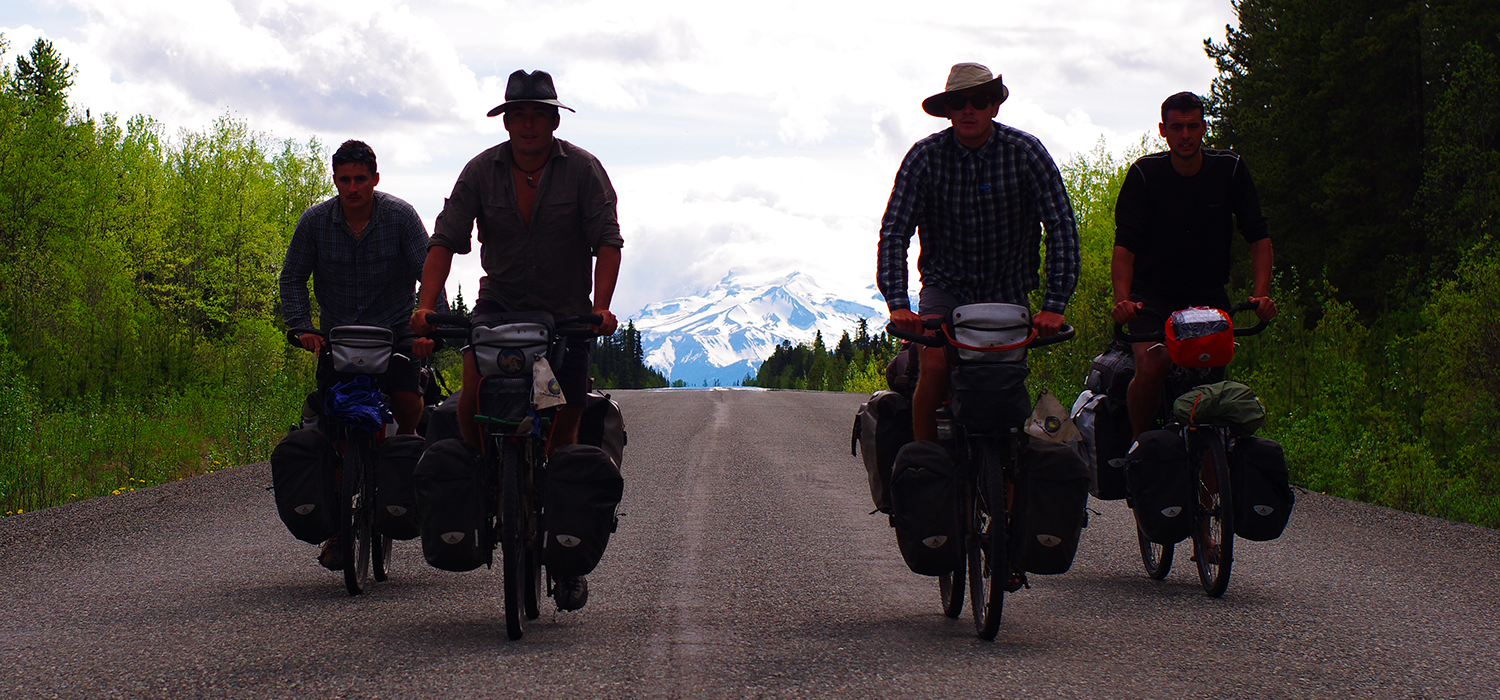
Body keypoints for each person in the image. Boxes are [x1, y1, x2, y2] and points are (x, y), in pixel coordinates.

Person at [409, 69, 622, 611]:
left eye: (538, 115)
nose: (528, 124)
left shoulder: (584, 170)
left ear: (554, 120)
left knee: (563, 415)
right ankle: (484, 483)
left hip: (564, 318)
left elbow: (607, 241)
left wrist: (599, 308)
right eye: (518, 115)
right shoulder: (481, 171)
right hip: (499, 309)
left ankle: (561, 541)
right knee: (472, 398)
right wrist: (426, 306)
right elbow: (444, 240)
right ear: (506, 122)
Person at [878, 62, 1081, 442]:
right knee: (934, 367)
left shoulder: (1026, 153)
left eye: (979, 100)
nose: (968, 109)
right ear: (948, 110)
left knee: (1008, 378)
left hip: (1008, 292)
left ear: (994, 106)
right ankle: (925, 462)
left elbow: (1061, 226)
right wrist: (898, 304)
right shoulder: (924, 157)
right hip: (945, 288)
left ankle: (1014, 472)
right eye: (959, 102)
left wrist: (1054, 304)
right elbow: (894, 232)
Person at [1110, 91, 1277, 439]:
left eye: (1192, 126)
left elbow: (1258, 237)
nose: (1185, 135)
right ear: (1163, 131)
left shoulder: (1229, 169)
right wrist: (1123, 301)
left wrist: (1261, 296)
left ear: (1203, 127)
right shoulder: (1145, 174)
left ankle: (1209, 470)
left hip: (1207, 297)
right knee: (1153, 363)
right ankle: (1139, 448)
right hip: (1150, 297)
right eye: (1176, 127)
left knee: (1211, 386)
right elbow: (1124, 247)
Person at [279, 140, 432, 436]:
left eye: (360, 179)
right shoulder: (314, 221)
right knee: (331, 415)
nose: (352, 188)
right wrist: (303, 327)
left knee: (406, 398)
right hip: (337, 333)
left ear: (375, 179)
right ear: (334, 180)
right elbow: (292, 277)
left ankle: (405, 445)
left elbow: (428, 273)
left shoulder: (401, 216)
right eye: (345, 179)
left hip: (395, 329)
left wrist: (431, 328)